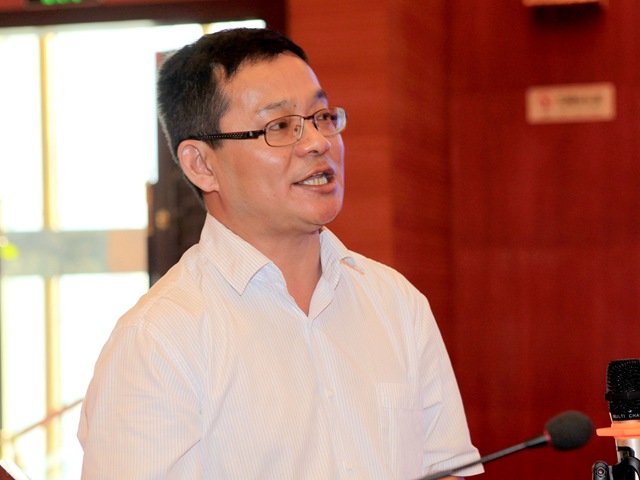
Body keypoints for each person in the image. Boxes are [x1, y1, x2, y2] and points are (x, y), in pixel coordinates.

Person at [77, 28, 483, 480]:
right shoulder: (157, 340)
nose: (317, 142)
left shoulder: (396, 303)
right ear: (202, 164)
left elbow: (449, 468)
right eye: (280, 127)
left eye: (321, 117)